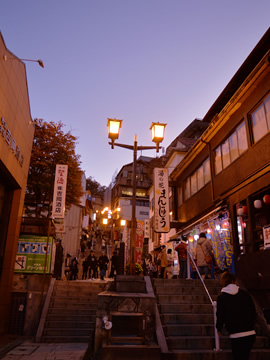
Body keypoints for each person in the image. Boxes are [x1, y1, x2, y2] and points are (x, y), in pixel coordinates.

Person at [216, 271, 256, 360]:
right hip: (249, 332)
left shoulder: (222, 298)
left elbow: (220, 315)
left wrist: (219, 328)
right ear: (234, 281)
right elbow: (253, 311)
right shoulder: (245, 294)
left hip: (236, 334)